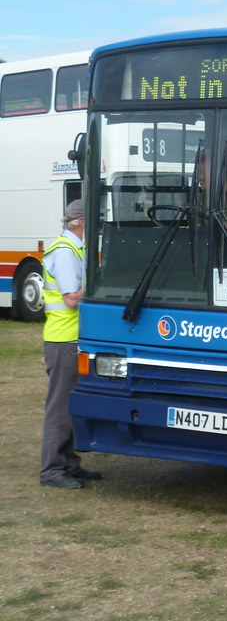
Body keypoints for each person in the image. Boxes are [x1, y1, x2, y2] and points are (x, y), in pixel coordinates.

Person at [39, 199, 102, 489]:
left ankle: (69, 465)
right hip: (64, 338)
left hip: (69, 337)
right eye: (93, 221)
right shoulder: (65, 252)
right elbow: (71, 299)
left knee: (71, 404)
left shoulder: (74, 248)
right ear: (80, 222)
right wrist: (101, 285)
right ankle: (52, 471)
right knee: (61, 407)